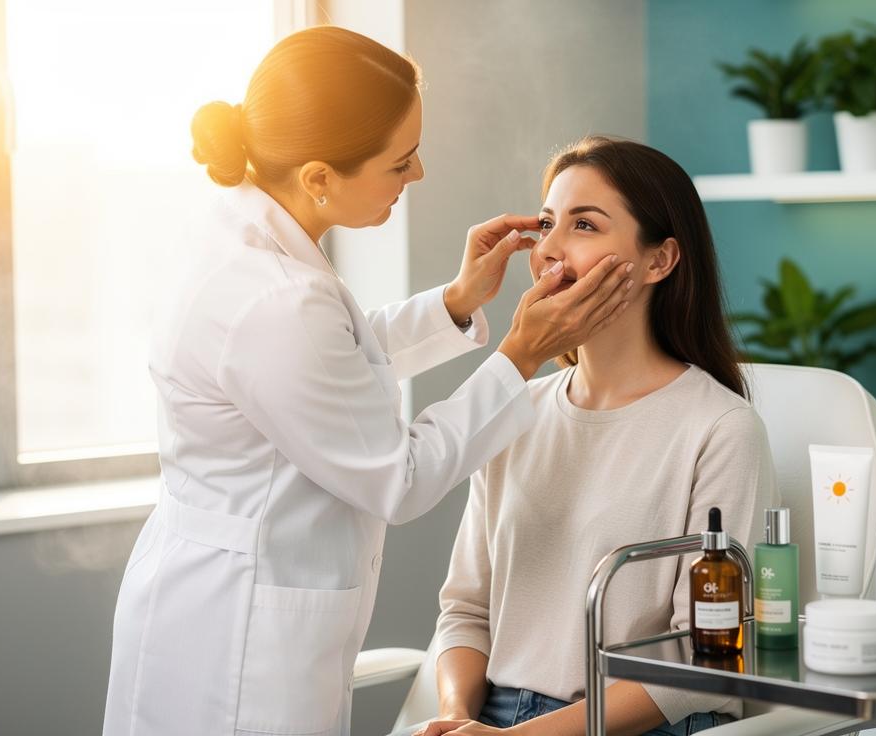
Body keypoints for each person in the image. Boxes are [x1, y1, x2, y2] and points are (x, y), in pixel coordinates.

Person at [103, 28, 631, 736]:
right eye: (401, 161)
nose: (418, 176)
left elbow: (329, 364)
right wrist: (519, 354)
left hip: (215, 599)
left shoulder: (260, 246)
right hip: (235, 643)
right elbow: (398, 477)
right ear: (319, 177)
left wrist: (456, 302)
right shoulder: (273, 298)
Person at [410, 137, 779, 736]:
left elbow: (705, 657)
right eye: (549, 223)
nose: (549, 251)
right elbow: (467, 609)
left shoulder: (719, 429)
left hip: (633, 724)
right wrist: (455, 717)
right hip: (492, 717)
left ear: (660, 261)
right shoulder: (514, 409)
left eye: (584, 225)